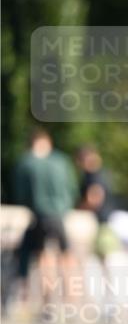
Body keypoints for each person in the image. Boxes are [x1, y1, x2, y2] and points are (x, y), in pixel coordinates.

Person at [13, 128, 78, 313]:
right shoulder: (61, 161)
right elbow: (72, 189)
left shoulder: (26, 163)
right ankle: (70, 302)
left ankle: (49, 304)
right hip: (60, 214)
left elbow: (21, 195)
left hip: (40, 214)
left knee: (44, 257)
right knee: (66, 256)